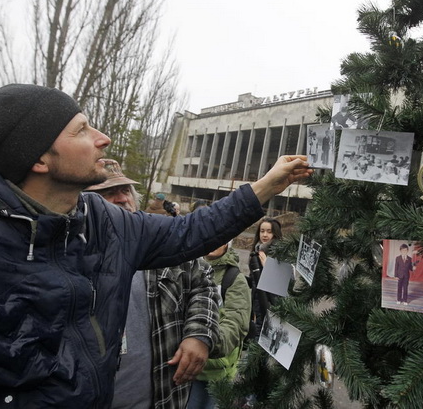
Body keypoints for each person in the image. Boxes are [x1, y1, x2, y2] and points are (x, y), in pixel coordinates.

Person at [0, 83, 312, 408]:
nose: (102, 137)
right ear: (40, 159)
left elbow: (188, 232)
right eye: (82, 130)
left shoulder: (103, 220)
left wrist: (265, 186)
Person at [86, 159, 218, 409]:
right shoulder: (71, 251)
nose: (121, 199)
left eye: (125, 191)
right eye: (108, 193)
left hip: (162, 398)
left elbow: (204, 283)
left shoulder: (161, 239)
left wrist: (200, 333)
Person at [187, 241, 251, 409]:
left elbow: (235, 324)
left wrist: (204, 343)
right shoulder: (187, 268)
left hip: (215, 374)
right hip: (184, 367)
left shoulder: (234, 279)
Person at [249, 217, 283, 338]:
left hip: (271, 311)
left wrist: (268, 267)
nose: (265, 235)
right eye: (262, 231)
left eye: (269, 231)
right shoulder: (257, 252)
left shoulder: (281, 254)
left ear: (275, 233)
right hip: (256, 309)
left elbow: (284, 287)